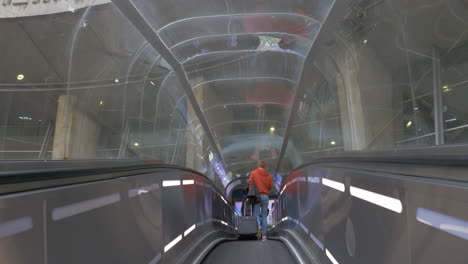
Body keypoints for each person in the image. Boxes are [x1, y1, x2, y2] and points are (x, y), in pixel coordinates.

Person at [249, 160, 273, 241]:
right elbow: (270, 187)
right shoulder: (269, 175)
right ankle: (264, 236)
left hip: (257, 196)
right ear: (264, 166)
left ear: (258, 165)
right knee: (264, 216)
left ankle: (259, 226)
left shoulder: (253, 173)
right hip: (265, 196)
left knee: (256, 213)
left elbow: (250, 184)